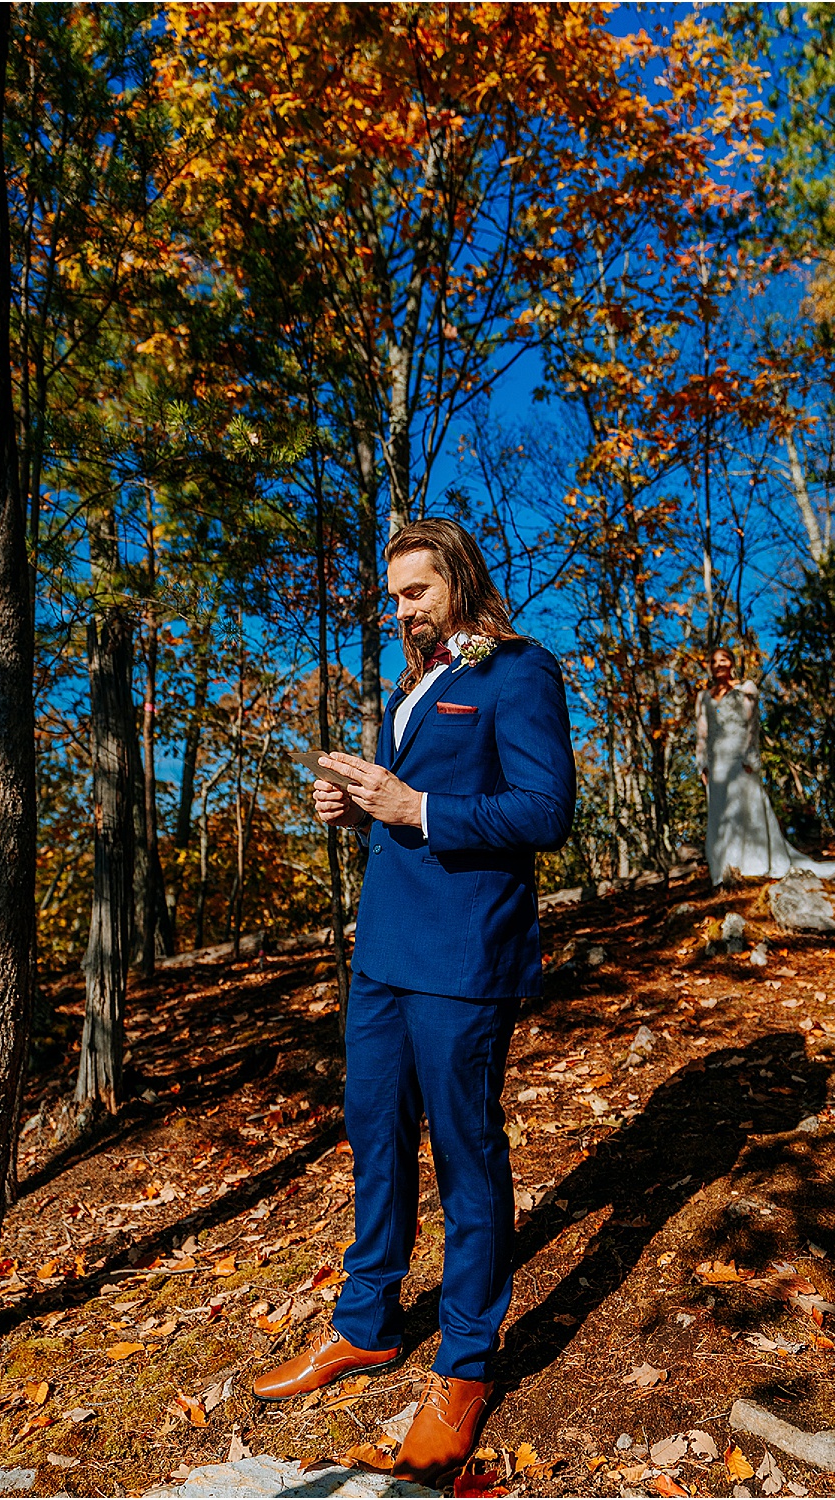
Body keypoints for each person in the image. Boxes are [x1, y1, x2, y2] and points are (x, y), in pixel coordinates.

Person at [253, 518, 575, 1484]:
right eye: (394, 596)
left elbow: (544, 811)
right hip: (384, 950)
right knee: (375, 1132)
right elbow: (403, 802)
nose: (403, 611)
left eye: (418, 592)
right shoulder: (411, 688)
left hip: (465, 956)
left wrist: (413, 808)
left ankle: (466, 1366)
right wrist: (357, 806)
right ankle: (365, 1323)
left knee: (465, 1149)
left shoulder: (517, 670)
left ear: (460, 584)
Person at [695, 644, 835, 884]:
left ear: (731, 663)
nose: (719, 665)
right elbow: (701, 733)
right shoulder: (703, 697)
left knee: (747, 808)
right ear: (709, 667)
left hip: (739, 760)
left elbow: (752, 727)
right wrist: (702, 765)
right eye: (714, 662)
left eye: (723, 660)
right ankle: (725, 870)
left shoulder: (746, 688)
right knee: (720, 815)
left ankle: (754, 864)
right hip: (717, 763)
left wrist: (750, 757)